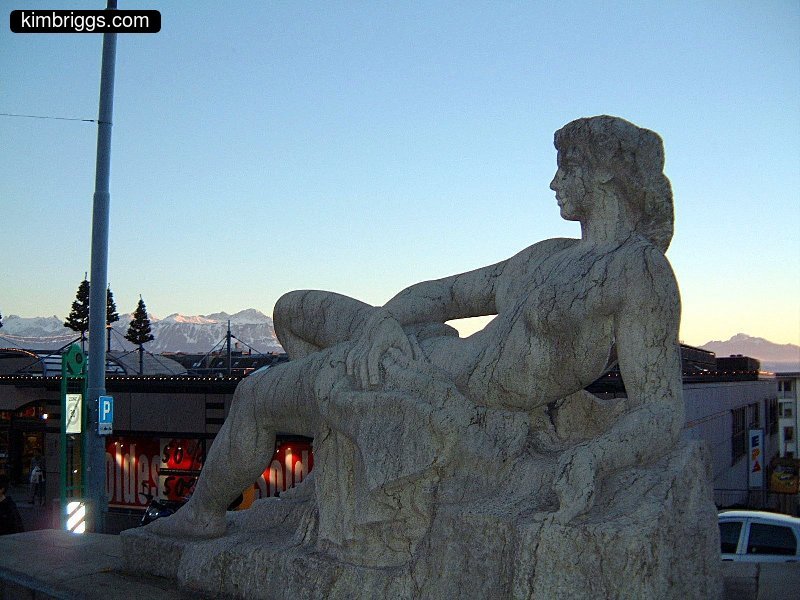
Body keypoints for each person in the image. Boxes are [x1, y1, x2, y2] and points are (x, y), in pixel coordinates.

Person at [149, 115, 683, 538]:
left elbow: (660, 406)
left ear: (607, 172)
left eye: (566, 168)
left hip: (432, 390)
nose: (553, 182)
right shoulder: (547, 256)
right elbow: (442, 294)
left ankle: (202, 514)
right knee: (293, 309)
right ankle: (336, 463)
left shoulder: (636, 272)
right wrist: (384, 324)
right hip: (422, 350)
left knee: (253, 395)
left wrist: (595, 456)